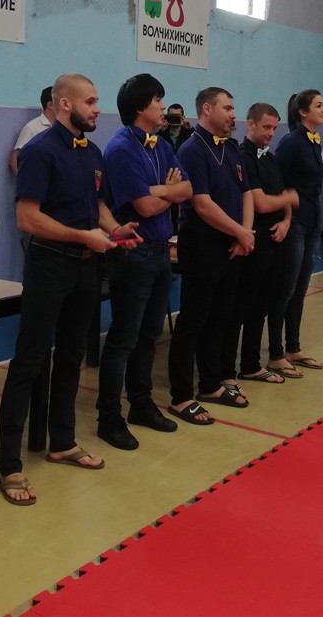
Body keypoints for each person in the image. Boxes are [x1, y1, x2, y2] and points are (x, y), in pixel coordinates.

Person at [0, 73, 139, 506]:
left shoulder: (92, 153)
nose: (98, 109)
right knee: (30, 359)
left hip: (85, 267)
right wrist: (83, 237)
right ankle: (10, 465)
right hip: (49, 265)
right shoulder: (39, 151)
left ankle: (62, 441)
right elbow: (28, 217)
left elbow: (95, 204)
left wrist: (114, 229)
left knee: (72, 356)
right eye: (91, 102)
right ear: (65, 104)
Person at [96, 74, 190, 451]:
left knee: (151, 333)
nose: (163, 107)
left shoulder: (162, 144)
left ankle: (141, 403)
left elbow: (187, 188)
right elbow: (146, 207)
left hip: (160, 250)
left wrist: (160, 190)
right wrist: (167, 191)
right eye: (157, 101)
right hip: (132, 252)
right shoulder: (121, 149)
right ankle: (108, 416)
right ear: (140, 107)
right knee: (124, 336)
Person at [168, 87, 255, 425]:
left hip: (232, 244)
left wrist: (243, 233)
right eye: (228, 108)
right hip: (203, 244)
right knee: (193, 320)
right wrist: (240, 233)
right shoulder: (192, 150)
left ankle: (210, 384)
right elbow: (202, 204)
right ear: (207, 109)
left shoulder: (231, 148)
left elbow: (245, 193)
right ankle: (180, 396)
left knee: (220, 318)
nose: (233, 114)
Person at [224, 102, 298, 387]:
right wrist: (289, 199)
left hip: (276, 239)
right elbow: (262, 203)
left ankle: (251, 365)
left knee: (262, 306)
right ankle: (226, 370)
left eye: (274, 128)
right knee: (242, 306)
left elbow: (280, 195)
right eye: (266, 127)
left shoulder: (269, 157)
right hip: (255, 240)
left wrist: (287, 220)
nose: (270, 133)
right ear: (251, 124)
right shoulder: (243, 156)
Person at [269, 89, 323, 377]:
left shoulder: (314, 141)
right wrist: (285, 217)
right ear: (303, 112)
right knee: (284, 290)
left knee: (301, 290)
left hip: (312, 222)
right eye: (318, 105)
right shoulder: (291, 142)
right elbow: (276, 183)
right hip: (294, 224)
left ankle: (293, 347)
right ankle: (275, 353)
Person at [9, 86, 55, 174]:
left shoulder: (63, 127)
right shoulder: (32, 127)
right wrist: (23, 179)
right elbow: (16, 156)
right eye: (61, 102)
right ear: (51, 105)